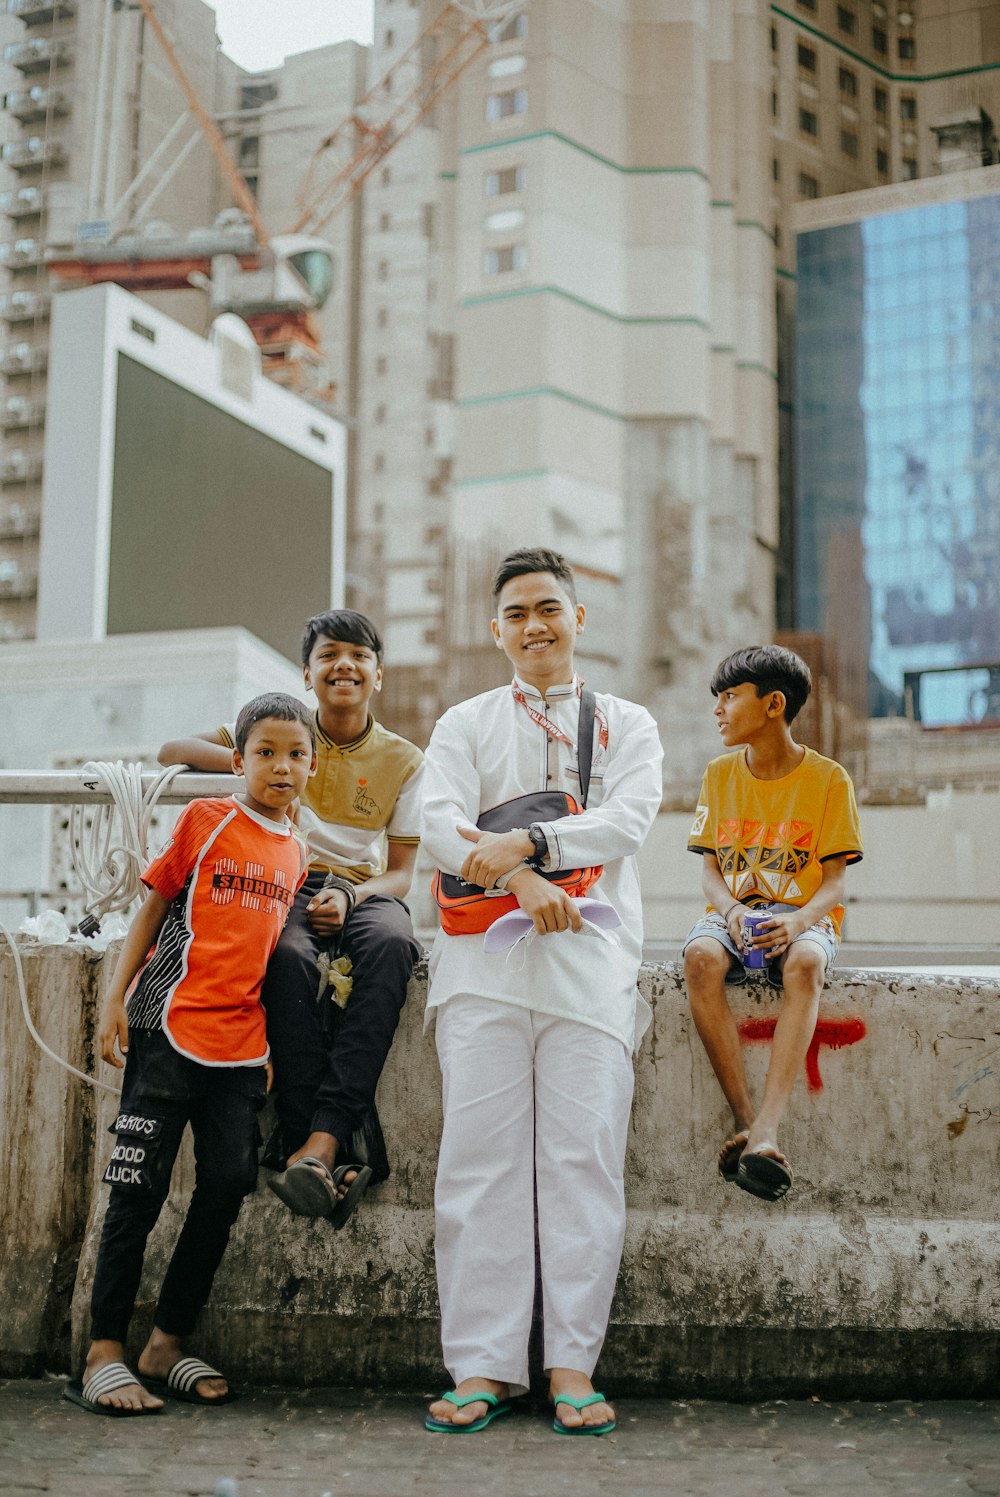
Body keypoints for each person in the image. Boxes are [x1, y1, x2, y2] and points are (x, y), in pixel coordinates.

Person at [419, 547, 662, 1436]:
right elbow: (438, 821)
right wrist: (520, 883)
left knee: (582, 1165)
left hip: (590, 974)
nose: (534, 625)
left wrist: (529, 849)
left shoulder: (628, 723)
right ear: (497, 630)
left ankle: (571, 1364)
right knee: (478, 1163)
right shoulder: (465, 722)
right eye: (516, 612)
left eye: (549, 608)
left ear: (579, 618)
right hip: (481, 972)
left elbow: (629, 820)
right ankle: (482, 1364)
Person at [66, 693, 314, 1416]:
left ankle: (166, 1341)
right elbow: (151, 906)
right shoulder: (207, 820)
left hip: (240, 1047)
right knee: (136, 1189)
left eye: (296, 754)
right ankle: (103, 1349)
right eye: (265, 751)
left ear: (309, 767)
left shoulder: (297, 849)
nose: (281, 766)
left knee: (230, 1182)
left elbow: (262, 952)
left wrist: (265, 1039)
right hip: (165, 1030)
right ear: (239, 760)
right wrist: (116, 998)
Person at [158, 610, 423, 1223]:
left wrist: (353, 898)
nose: (344, 665)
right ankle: (317, 1138)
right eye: (329, 654)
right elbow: (171, 750)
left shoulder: (405, 759)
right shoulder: (284, 734)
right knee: (285, 956)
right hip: (284, 885)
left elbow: (403, 873)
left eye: (359, 654)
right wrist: (253, 758)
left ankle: (319, 1138)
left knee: (391, 945)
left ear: (378, 674)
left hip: (363, 891)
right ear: (307, 673)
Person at [682, 645, 864, 1202]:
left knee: (806, 964)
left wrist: (798, 923)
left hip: (802, 916)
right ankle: (746, 1124)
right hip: (735, 913)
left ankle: (770, 1126)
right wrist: (734, 913)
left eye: (730, 696)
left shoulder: (829, 780)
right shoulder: (717, 775)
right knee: (700, 958)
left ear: (773, 705)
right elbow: (711, 875)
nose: (718, 709)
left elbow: (834, 883)